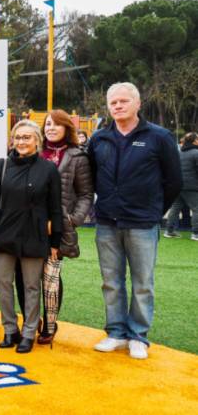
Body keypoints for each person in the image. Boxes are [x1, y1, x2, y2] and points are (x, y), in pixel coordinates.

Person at [88, 82, 182, 360]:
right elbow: (91, 177)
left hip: (143, 223)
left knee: (143, 283)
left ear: (138, 104)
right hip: (107, 222)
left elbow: (174, 181)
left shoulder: (159, 137)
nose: (118, 106)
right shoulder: (99, 139)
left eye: (123, 101)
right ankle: (116, 333)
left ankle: (138, 336)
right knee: (111, 281)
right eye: (113, 102)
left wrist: (154, 210)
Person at [0, 120, 62, 354]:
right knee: (3, 284)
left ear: (37, 140)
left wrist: (55, 242)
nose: (21, 141)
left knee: (31, 286)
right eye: (17, 137)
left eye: (27, 137)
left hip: (34, 235)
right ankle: (10, 330)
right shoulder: (0, 166)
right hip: (6, 235)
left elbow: (55, 208)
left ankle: (29, 332)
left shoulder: (48, 169)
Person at [36, 109, 94, 345]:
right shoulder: (34, 150)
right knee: (28, 276)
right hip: (29, 224)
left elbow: (86, 194)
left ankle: (50, 324)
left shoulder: (77, 156)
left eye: (56, 124)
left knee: (51, 276)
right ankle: (32, 320)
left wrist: (73, 219)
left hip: (58, 227)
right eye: (48, 124)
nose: (51, 128)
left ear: (66, 128)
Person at [164, 132, 198, 240]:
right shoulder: (196, 153)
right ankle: (196, 233)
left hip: (178, 185)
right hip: (192, 187)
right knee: (197, 209)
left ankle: (169, 231)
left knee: (175, 208)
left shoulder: (179, 153)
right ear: (194, 141)